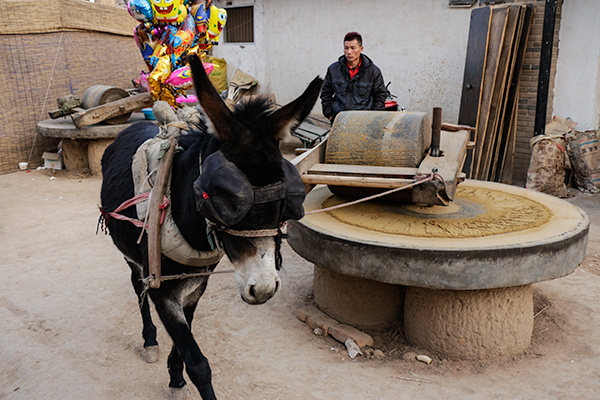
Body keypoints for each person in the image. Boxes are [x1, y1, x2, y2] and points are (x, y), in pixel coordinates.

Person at [320, 32, 387, 124]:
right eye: (346, 48)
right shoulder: (333, 69)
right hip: (339, 120)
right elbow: (325, 93)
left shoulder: (373, 71)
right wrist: (329, 114)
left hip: (364, 122)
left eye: (353, 48)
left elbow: (380, 96)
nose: (349, 52)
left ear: (361, 49)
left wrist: (374, 118)